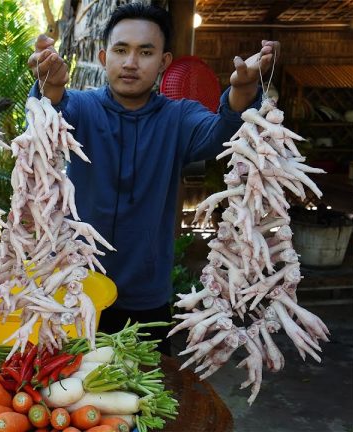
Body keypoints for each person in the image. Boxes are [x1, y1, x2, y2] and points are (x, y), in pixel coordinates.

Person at [27, 3, 280, 354]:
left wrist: (242, 92)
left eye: (145, 52)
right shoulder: (81, 109)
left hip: (146, 298)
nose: (131, 62)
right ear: (103, 57)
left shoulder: (179, 117)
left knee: (145, 398)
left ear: (163, 62)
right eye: (121, 50)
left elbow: (223, 131)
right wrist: (50, 89)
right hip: (75, 291)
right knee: (70, 394)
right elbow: (45, 122)